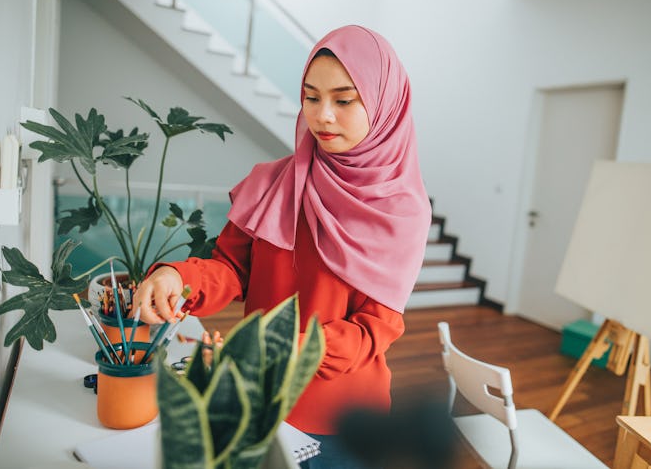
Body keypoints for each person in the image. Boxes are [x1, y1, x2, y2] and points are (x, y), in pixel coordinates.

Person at [132, 24, 432, 468]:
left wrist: (283, 349)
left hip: (344, 421)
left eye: (344, 100)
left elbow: (374, 328)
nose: (323, 115)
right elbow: (230, 269)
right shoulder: (272, 183)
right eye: (311, 97)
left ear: (386, 105)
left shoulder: (403, 212)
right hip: (258, 401)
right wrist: (178, 276)